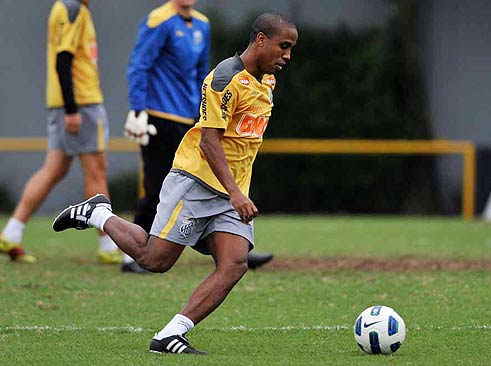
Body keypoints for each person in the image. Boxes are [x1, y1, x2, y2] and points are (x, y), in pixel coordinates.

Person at [53, 12, 298, 354]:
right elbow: (209, 142)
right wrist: (236, 193)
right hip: (195, 182)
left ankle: (170, 334)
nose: (287, 55)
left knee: (235, 263)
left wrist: (233, 193)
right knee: (155, 260)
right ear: (260, 40)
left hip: (227, 194)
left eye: (290, 49)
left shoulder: (268, 81)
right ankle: (98, 214)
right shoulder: (225, 79)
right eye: (283, 47)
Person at [122, 0, 273, 273]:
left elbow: (203, 72)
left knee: (215, 174)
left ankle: (233, 249)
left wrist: (205, 111)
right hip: (159, 114)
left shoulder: (202, 23)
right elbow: (139, 64)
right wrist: (137, 109)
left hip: (191, 115)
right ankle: (134, 253)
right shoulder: (159, 19)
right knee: (157, 183)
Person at [0, 0, 122, 265]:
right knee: (96, 173)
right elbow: (63, 58)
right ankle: (108, 244)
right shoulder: (72, 8)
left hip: (63, 103)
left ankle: (11, 232)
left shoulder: (64, 7)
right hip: (81, 103)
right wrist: (72, 109)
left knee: (54, 169)